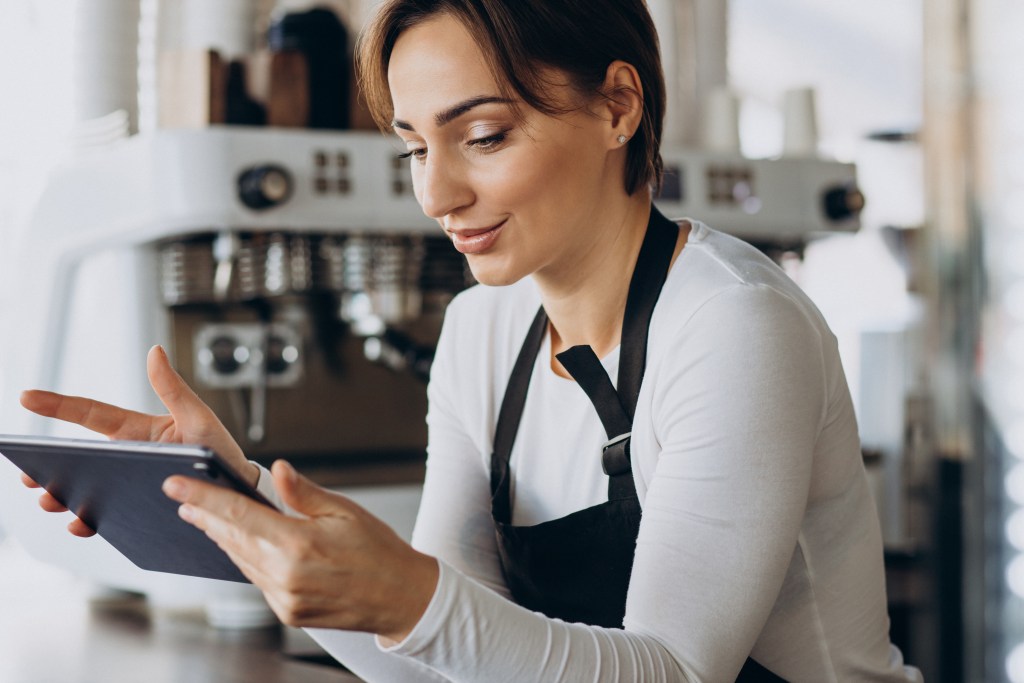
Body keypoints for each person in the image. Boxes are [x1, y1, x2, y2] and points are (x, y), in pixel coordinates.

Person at [19, 1, 922, 681]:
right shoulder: (482, 329)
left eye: (483, 136)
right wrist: (240, 507)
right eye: (416, 148)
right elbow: (451, 662)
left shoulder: (733, 323)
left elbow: (675, 670)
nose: (436, 194)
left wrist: (412, 596)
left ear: (618, 106)